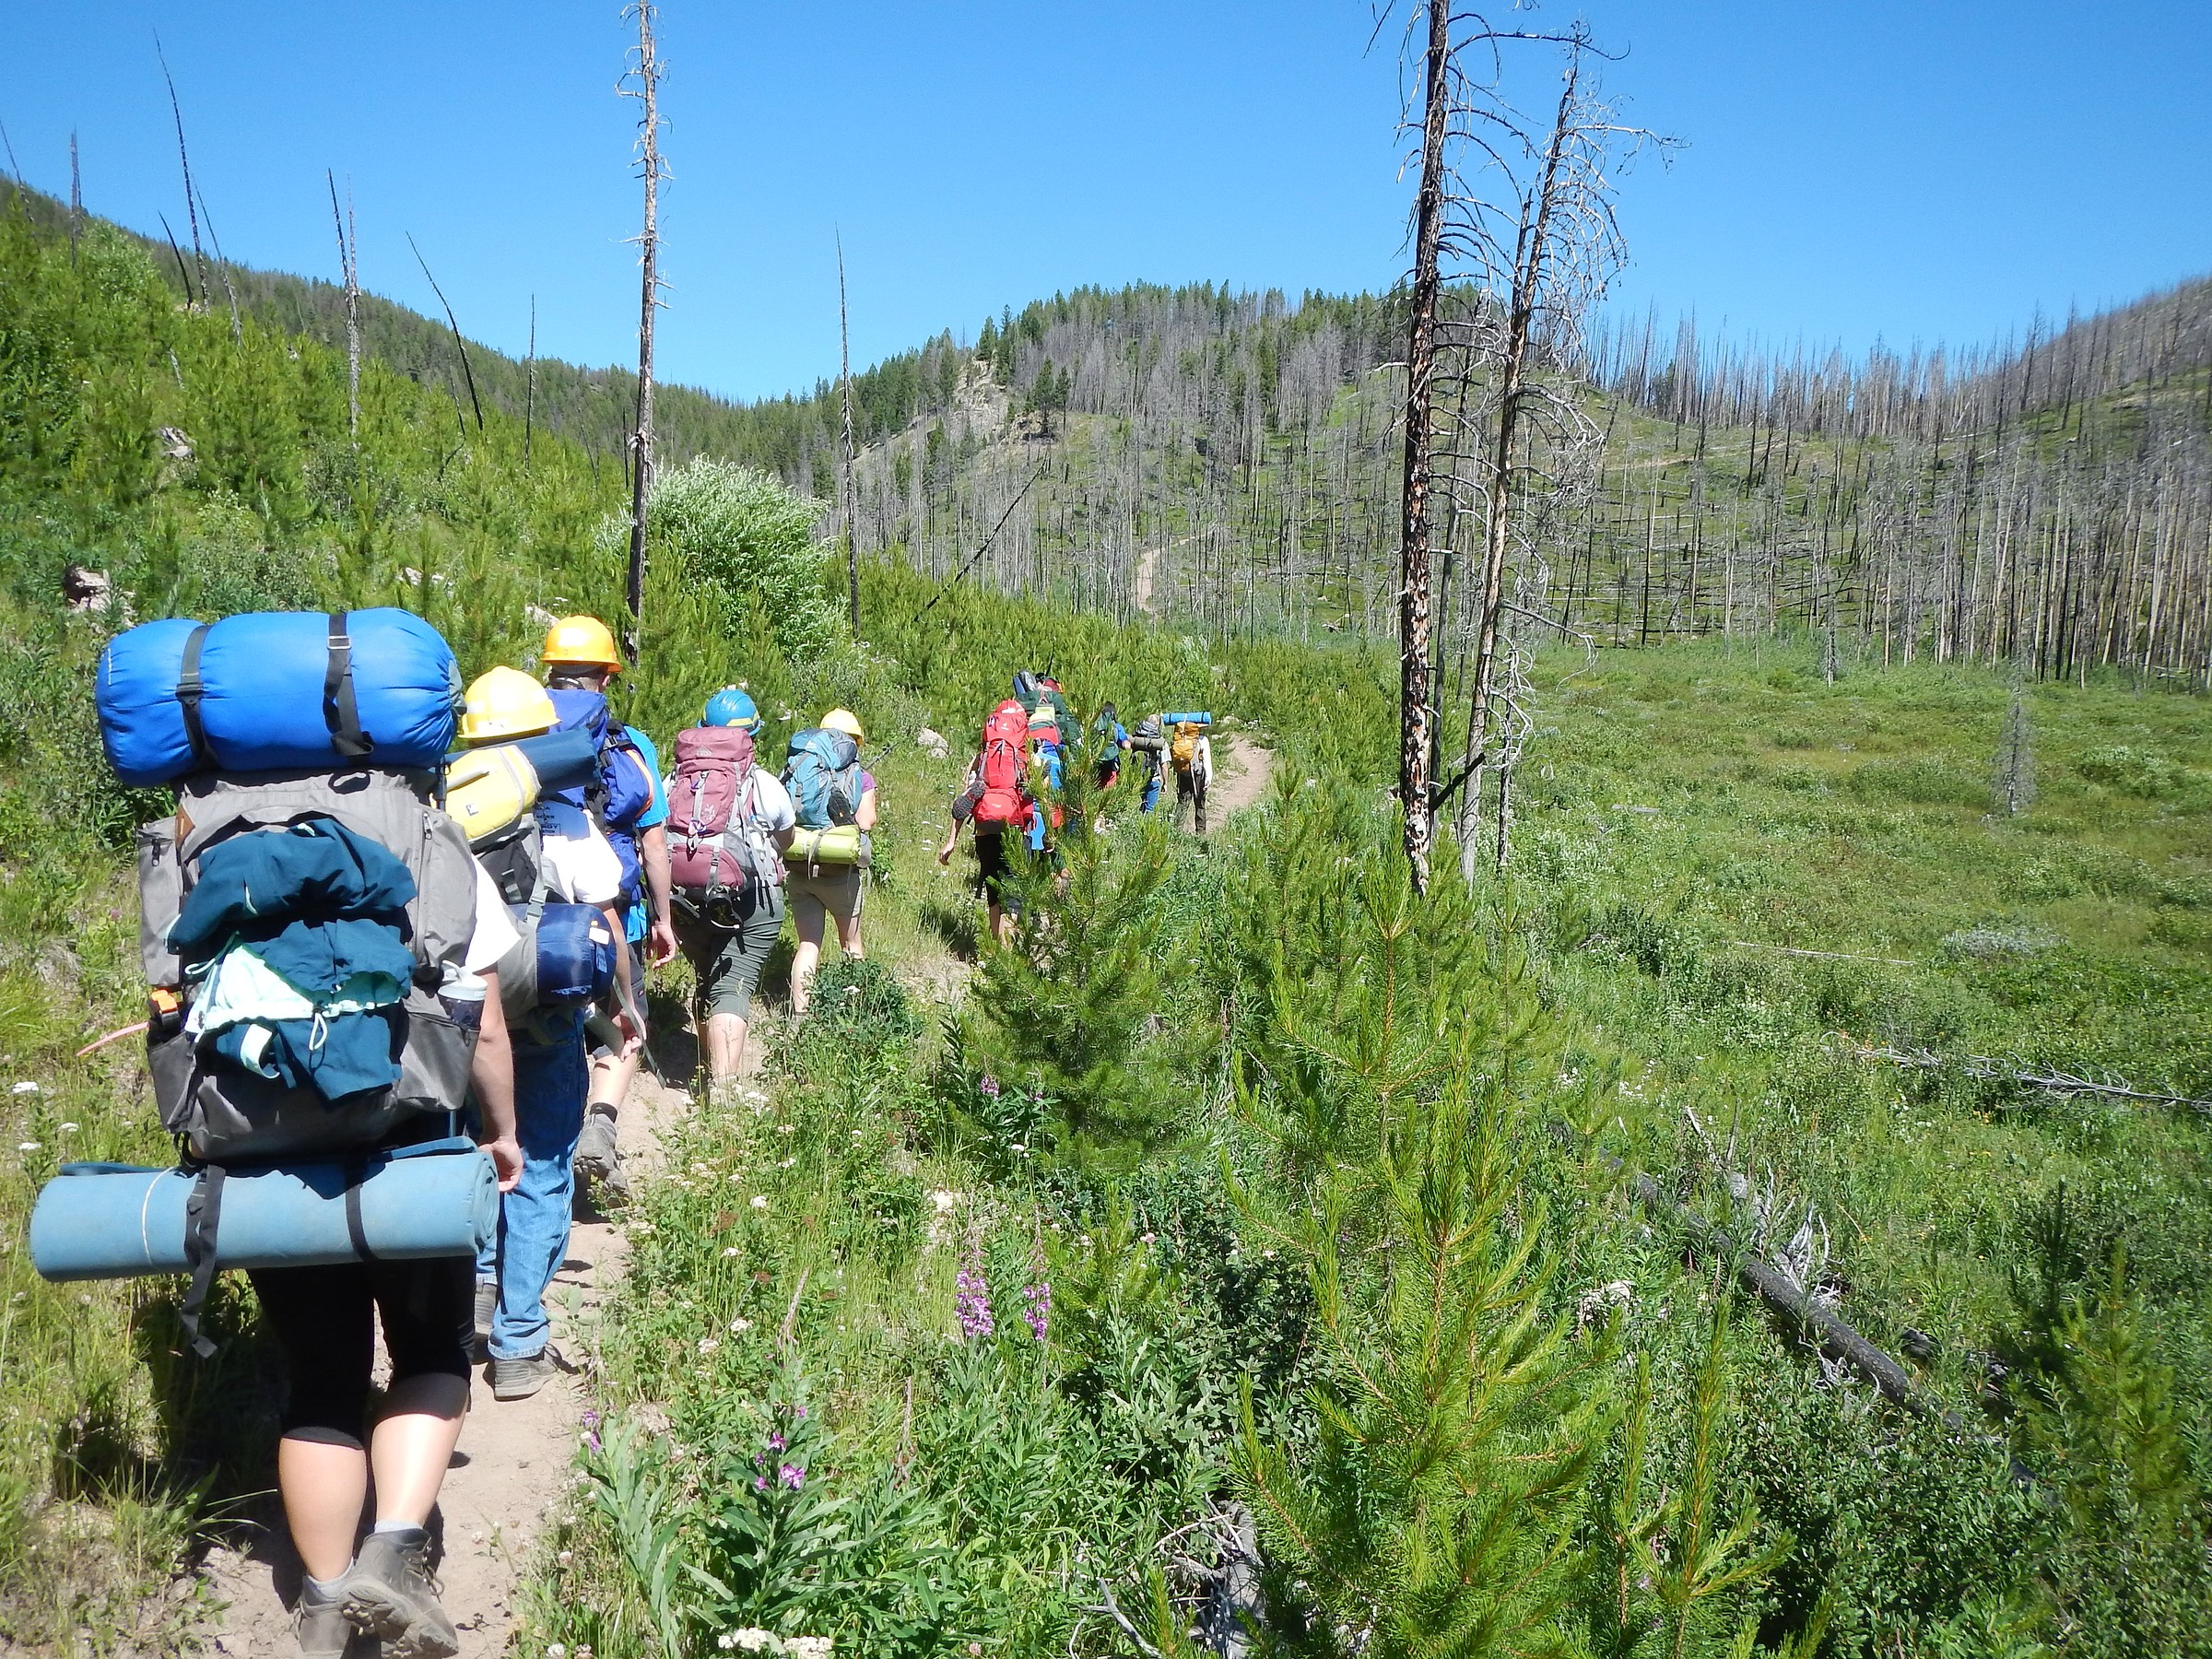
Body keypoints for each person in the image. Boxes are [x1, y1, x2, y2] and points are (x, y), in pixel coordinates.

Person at [261, 826, 524, 1659]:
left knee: (323, 1379)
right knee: (431, 1353)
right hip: (410, 1147)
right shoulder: (433, 842)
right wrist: (503, 1129)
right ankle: (395, 1552)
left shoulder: (220, 844)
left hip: (268, 1154)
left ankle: (325, 1602)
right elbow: (484, 1023)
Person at [456, 667, 641, 1402]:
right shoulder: (564, 818)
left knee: (475, 1152)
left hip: (457, 1019)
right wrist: (624, 1005)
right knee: (538, 1168)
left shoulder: (436, 805)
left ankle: (478, 1283)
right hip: (543, 1018)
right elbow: (604, 918)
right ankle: (519, 1341)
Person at [667, 688, 796, 1088]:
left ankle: (705, 1061)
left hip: (684, 897)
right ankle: (723, 1090)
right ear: (752, 736)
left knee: (707, 976)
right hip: (750, 897)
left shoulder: (675, 779)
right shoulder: (764, 784)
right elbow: (786, 839)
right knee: (733, 982)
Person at [784, 707, 877, 1016]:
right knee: (851, 943)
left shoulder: (802, 766)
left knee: (808, 943)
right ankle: (852, 1014)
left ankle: (799, 1015)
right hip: (840, 873)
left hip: (800, 866)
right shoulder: (861, 776)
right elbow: (867, 821)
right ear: (855, 742)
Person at [937, 698, 1038, 947]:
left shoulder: (982, 758)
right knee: (1014, 892)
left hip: (985, 829)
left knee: (994, 892)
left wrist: (951, 841)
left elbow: (965, 799)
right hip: (1015, 829)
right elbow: (1038, 795)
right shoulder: (1027, 758)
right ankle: (1009, 953)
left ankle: (995, 948)